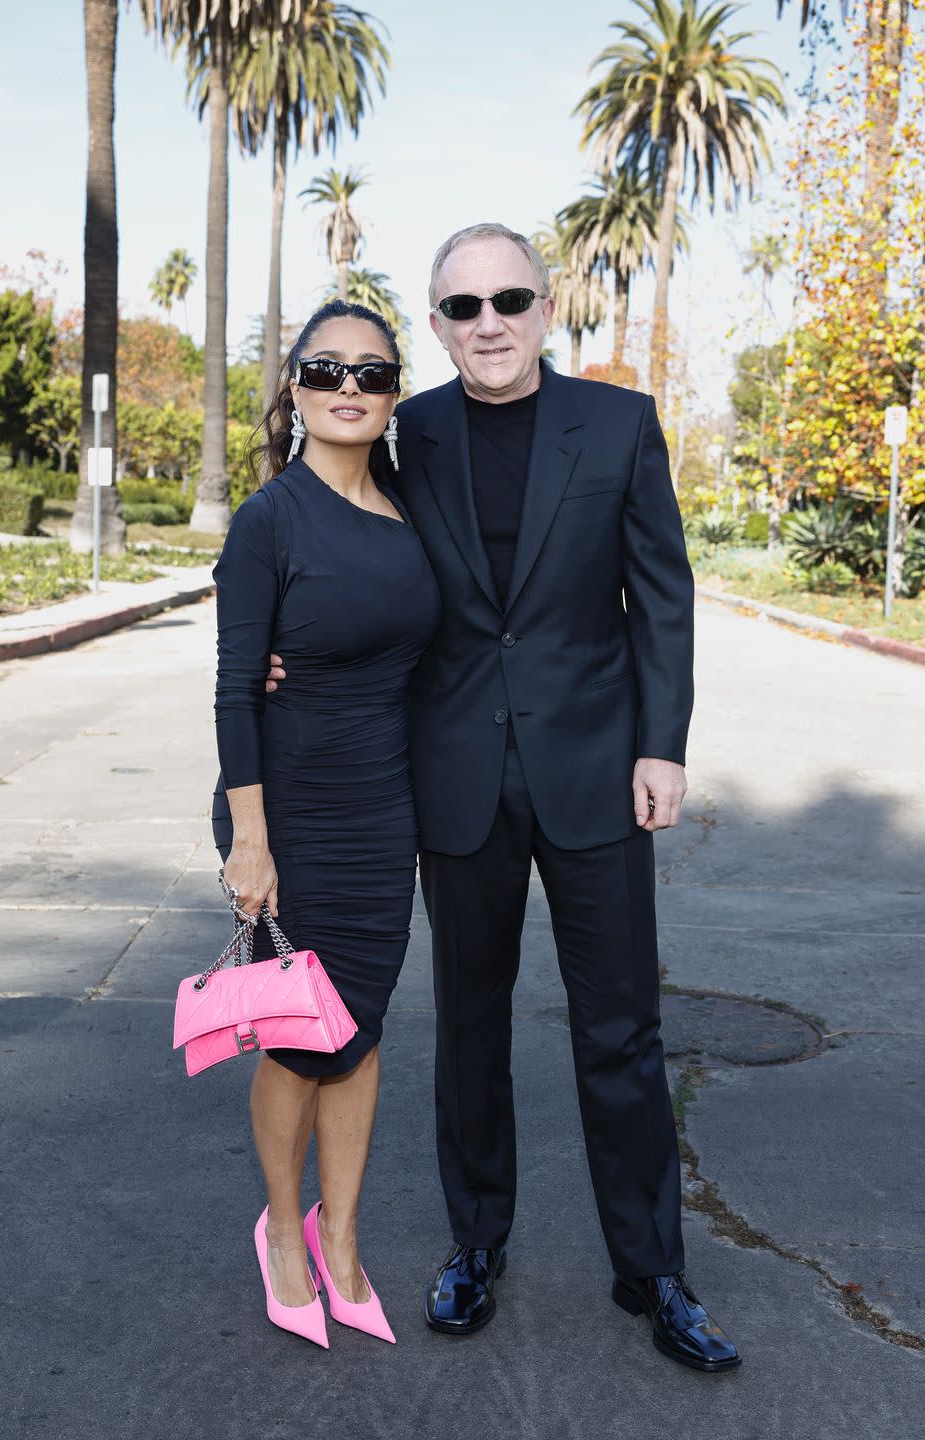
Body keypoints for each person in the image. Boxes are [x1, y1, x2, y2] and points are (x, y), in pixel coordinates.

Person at [265, 223, 741, 1372]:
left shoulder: (619, 424)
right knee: (469, 1029)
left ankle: (654, 1270)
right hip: (453, 779)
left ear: (545, 307)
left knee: (620, 1032)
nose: (489, 324)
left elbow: (661, 596)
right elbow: (332, 542)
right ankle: (477, 1244)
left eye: (510, 300)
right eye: (464, 307)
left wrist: (661, 745)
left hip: (594, 772)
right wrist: (284, 649)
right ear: (435, 325)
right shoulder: (407, 431)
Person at [212, 300, 441, 1349]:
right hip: (294, 807)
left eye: (373, 372)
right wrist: (249, 840)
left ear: (394, 393)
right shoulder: (271, 519)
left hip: (385, 802)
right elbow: (231, 688)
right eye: (325, 369)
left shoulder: (410, 508)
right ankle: (284, 1238)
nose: (349, 386)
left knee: (362, 1030)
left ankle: (340, 1234)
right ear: (295, 388)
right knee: (302, 1038)